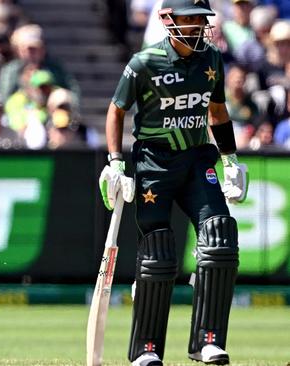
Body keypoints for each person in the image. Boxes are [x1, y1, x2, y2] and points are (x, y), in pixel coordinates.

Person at [98, 0, 249, 365]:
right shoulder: (144, 63)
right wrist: (115, 162)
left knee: (221, 239)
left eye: (201, 19)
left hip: (198, 161)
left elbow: (217, 111)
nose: (197, 25)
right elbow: (117, 110)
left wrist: (229, 158)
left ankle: (206, 340)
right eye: (189, 18)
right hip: (155, 164)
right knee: (159, 253)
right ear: (167, 20)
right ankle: (146, 351)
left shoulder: (211, 59)